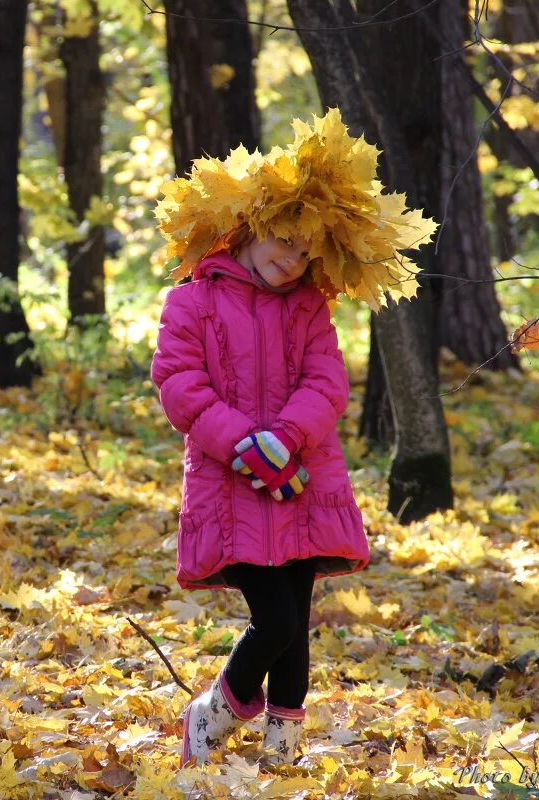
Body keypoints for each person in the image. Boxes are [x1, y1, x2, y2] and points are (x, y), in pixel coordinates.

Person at [149, 108, 438, 769]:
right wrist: (244, 442)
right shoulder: (191, 302)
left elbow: (326, 381)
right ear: (251, 225)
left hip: (303, 477)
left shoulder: (309, 306)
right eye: (284, 238)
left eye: (308, 249)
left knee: (298, 626)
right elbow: (178, 384)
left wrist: (284, 436)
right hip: (232, 482)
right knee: (273, 620)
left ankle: (283, 751)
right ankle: (213, 712)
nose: (294, 257)